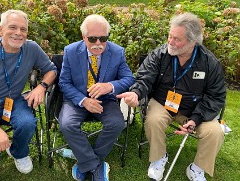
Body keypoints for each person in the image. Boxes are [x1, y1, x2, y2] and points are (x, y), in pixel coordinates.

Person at [117, 12, 226, 181]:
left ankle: (197, 169)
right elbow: (145, 78)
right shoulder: (159, 54)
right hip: (163, 104)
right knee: (153, 120)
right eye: (170, 36)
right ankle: (159, 157)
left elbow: (216, 96)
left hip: (195, 109)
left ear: (192, 42)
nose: (170, 41)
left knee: (215, 132)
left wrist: (196, 119)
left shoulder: (210, 63)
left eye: (177, 39)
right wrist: (136, 92)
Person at [0, 9, 57, 181]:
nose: (18, 33)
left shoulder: (32, 48)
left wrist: (41, 87)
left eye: (23, 29)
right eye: (12, 27)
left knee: (27, 123)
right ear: (0, 30)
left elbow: (51, 70)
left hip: (12, 100)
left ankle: (18, 152)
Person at [58, 14, 135, 181]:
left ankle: (87, 160)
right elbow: (64, 83)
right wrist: (84, 100)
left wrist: (110, 86)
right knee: (67, 124)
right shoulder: (70, 51)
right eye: (93, 39)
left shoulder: (117, 52)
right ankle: (95, 165)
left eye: (103, 38)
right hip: (77, 100)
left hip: (105, 99)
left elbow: (129, 78)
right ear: (83, 37)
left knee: (117, 123)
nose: (98, 44)